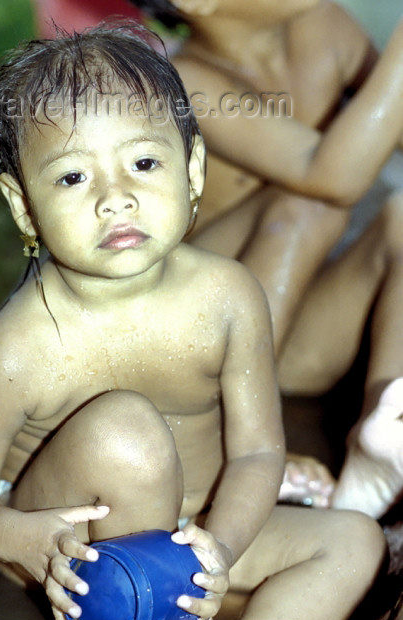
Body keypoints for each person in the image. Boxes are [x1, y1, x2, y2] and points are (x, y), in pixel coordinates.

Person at [0, 24, 386, 620]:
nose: (114, 197)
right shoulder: (20, 348)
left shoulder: (228, 298)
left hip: (193, 525)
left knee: (353, 544)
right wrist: (19, 539)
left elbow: (258, 452)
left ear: (192, 170)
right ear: (24, 207)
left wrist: (218, 552)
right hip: (74, 558)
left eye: (143, 164)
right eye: (73, 176)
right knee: (125, 429)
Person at [128, 0, 403, 518]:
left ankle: (384, 440)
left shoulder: (324, 27)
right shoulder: (183, 83)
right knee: (306, 204)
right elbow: (328, 176)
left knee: (402, 216)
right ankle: (222, 440)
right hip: (197, 356)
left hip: (291, 336)